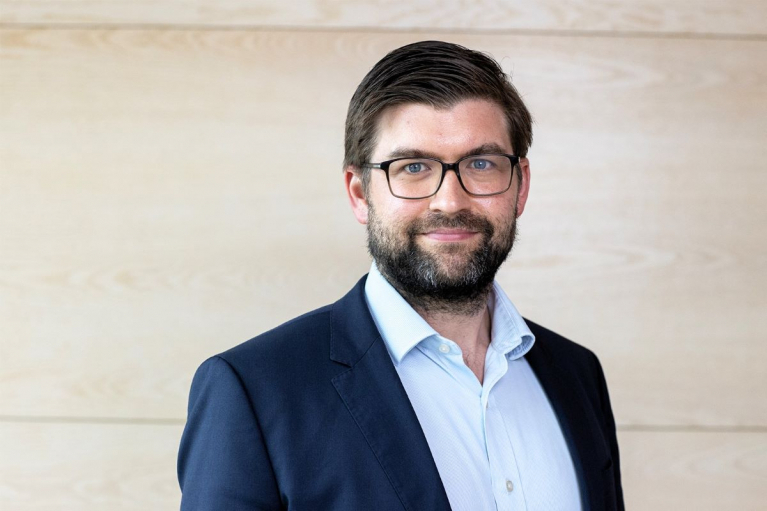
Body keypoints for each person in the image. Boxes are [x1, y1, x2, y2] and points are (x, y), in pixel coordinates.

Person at [178, 40, 625, 511]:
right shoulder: (254, 391)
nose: (450, 201)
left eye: (481, 164)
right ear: (359, 194)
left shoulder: (578, 376)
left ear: (521, 186)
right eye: (413, 167)